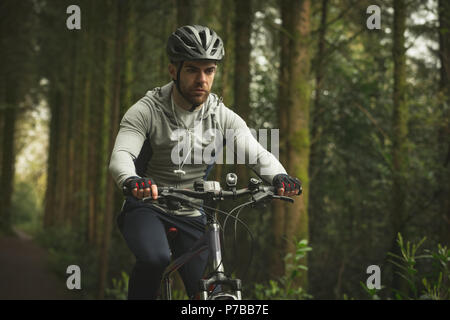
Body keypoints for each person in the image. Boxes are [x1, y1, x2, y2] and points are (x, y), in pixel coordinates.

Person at [108, 25, 302, 300]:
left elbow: (257, 154)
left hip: (191, 210)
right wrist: (131, 180)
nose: (202, 79)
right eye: (192, 70)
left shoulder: (222, 116)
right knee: (155, 259)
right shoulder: (146, 110)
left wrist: (280, 176)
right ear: (173, 70)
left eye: (209, 70)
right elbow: (122, 156)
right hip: (146, 205)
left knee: (206, 287)